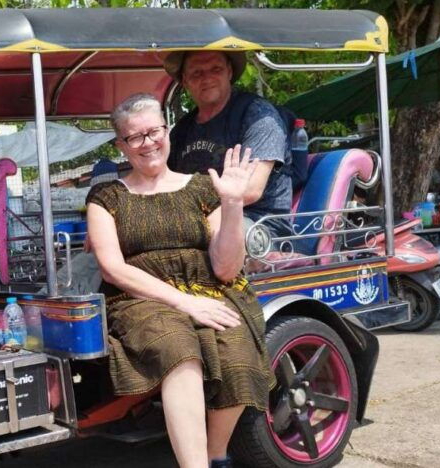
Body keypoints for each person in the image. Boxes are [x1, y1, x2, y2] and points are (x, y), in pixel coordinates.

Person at [86, 93, 275, 468]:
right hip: (138, 296)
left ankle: (215, 455)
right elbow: (113, 268)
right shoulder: (106, 196)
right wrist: (185, 302)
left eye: (153, 131)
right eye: (134, 137)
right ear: (121, 145)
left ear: (166, 131)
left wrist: (234, 204)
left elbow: (225, 269)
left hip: (210, 287)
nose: (147, 143)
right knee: (179, 350)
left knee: (237, 353)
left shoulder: (204, 188)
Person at [165, 50, 293, 237]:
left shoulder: (258, 115)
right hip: (196, 218)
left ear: (229, 72)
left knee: (195, 237)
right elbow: (164, 182)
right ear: (185, 80)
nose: (207, 78)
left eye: (215, 69)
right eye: (197, 73)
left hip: (258, 226)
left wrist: (185, 208)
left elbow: (249, 191)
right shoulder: (181, 130)